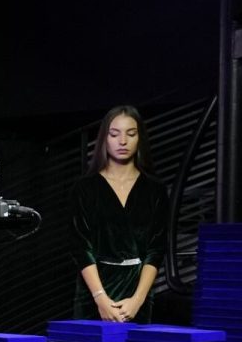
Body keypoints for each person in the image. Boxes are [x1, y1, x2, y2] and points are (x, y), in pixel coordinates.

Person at [69, 105, 169, 323]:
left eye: (130, 134)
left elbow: (156, 248)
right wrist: (101, 298)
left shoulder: (155, 190)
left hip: (137, 293)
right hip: (93, 294)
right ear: (104, 138)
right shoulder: (84, 188)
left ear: (140, 138)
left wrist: (138, 300)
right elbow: (81, 247)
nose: (122, 141)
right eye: (114, 134)